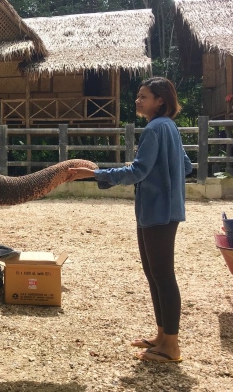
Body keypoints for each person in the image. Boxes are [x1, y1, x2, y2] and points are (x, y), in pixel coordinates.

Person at [68, 77, 192, 363]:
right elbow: (184, 166)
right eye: (138, 96)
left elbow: (138, 171)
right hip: (162, 210)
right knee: (155, 274)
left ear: (160, 100)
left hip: (156, 212)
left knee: (163, 276)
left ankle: (171, 347)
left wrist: (93, 174)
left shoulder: (154, 128)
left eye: (144, 96)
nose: (138, 101)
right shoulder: (169, 127)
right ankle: (162, 335)